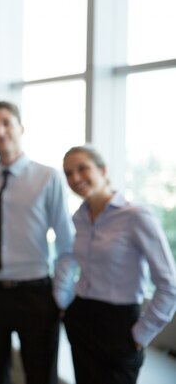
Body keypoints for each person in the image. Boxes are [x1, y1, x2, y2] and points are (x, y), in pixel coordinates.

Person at [0, 100, 76, 384]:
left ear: (20, 128)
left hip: (36, 295)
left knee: (41, 377)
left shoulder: (47, 177)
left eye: (6, 123)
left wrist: (60, 295)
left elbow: (66, 241)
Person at [62, 144, 176, 384]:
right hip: (81, 318)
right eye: (69, 173)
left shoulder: (136, 216)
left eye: (82, 168)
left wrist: (140, 335)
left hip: (120, 326)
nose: (75, 178)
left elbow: (168, 285)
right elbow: (73, 262)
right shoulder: (79, 217)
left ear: (103, 170)